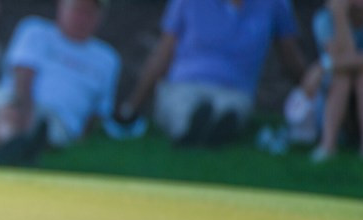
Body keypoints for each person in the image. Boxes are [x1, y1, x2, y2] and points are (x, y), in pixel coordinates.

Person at [116, 0, 307, 148]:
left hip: (235, 90)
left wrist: (314, 92)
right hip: (184, 85)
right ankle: (193, 127)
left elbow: (290, 57)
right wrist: (132, 106)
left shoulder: (274, 4)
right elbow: (163, 53)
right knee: (184, 108)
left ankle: (210, 129)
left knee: (229, 109)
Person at [0, 0, 119, 165]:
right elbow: (23, 75)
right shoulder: (35, 31)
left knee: (46, 130)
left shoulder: (108, 59)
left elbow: (98, 111)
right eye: (78, 10)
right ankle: (11, 148)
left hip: (60, 121)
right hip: (17, 103)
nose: (82, 18)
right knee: (8, 112)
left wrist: (82, 139)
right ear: (61, 7)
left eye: (89, 13)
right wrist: (26, 114)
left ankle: (15, 153)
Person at [310, 0, 363, 162]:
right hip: (333, 98)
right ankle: (328, 146)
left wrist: (323, 66)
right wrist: (340, 16)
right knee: (342, 78)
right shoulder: (325, 20)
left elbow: (337, 62)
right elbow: (343, 60)